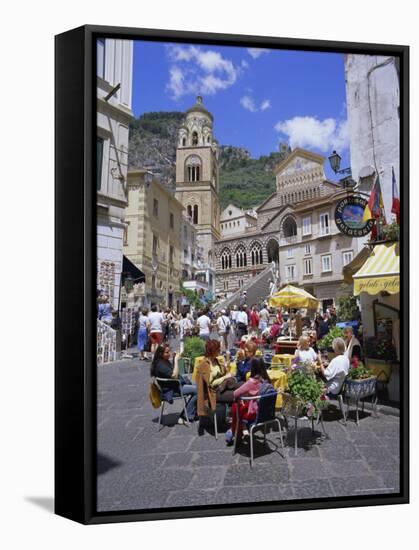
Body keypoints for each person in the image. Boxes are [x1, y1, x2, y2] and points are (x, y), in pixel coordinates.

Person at [225, 357, 271, 445]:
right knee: (242, 404)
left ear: (252, 368)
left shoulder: (252, 382)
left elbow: (235, 394)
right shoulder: (267, 381)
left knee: (236, 405)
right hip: (265, 413)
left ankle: (235, 432)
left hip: (253, 414)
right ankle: (240, 429)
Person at [150, 344, 197, 423]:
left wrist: (176, 358)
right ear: (160, 354)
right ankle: (185, 416)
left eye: (169, 351)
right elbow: (174, 375)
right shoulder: (160, 365)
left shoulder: (163, 360)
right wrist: (176, 360)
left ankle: (193, 412)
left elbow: (171, 371)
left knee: (199, 385)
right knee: (198, 390)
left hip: (175, 385)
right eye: (167, 352)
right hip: (172, 390)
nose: (169, 354)